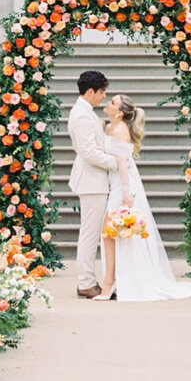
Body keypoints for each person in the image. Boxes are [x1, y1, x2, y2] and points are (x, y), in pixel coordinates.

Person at [95, 93, 191, 302]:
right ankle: (113, 280)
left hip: (123, 184)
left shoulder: (120, 130)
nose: (108, 103)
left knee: (113, 230)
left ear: (120, 113)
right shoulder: (109, 127)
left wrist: (125, 194)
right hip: (114, 182)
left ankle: (111, 283)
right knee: (111, 232)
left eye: (112, 102)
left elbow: (123, 164)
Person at [68, 68, 117, 299]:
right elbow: (88, 152)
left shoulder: (84, 112)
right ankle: (86, 282)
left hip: (94, 180)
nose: (104, 97)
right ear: (90, 91)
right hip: (91, 181)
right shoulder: (81, 115)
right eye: (101, 92)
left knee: (91, 232)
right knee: (90, 233)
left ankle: (88, 280)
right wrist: (115, 162)